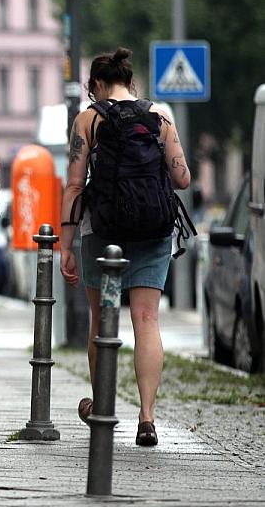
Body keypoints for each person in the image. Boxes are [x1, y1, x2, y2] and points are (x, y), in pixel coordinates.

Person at [59, 47, 191, 447]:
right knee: (146, 320)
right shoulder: (160, 117)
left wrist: (66, 246)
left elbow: (74, 186)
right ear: (130, 82)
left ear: (97, 84)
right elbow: (183, 179)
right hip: (153, 230)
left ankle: (102, 405)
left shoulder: (88, 120)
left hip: (102, 233)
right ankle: (147, 417)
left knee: (102, 321)